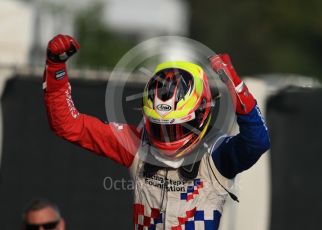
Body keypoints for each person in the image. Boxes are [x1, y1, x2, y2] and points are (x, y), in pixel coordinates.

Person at [43, 34, 270, 230]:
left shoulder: (216, 152)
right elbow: (68, 125)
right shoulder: (136, 144)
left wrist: (235, 85)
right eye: (160, 127)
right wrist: (56, 67)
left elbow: (257, 142)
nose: (167, 136)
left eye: (177, 127)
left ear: (201, 113)